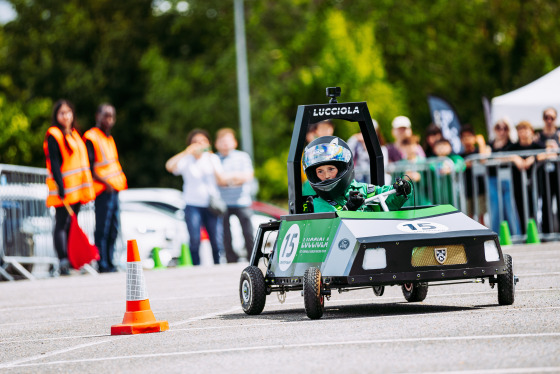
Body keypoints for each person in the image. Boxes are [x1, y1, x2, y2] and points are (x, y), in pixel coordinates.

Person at [43, 100, 95, 275]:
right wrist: (60, 185)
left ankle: (74, 259)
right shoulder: (54, 135)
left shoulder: (74, 134)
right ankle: (63, 260)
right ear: (56, 116)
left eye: (68, 112)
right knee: (62, 224)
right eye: (62, 113)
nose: (66, 116)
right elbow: (55, 163)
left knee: (72, 225)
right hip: (64, 189)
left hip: (77, 190)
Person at [302, 136, 412, 213]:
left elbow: (388, 198)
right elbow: (330, 227)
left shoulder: (363, 190)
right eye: (320, 171)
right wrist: (349, 209)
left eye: (331, 169)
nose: (326, 176)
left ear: (342, 169)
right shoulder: (317, 203)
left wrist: (402, 189)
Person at [166, 129, 226, 265]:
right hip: (192, 204)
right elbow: (169, 166)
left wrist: (210, 158)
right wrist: (186, 152)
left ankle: (219, 265)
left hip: (211, 204)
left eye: (202, 141)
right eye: (195, 142)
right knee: (194, 239)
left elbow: (221, 180)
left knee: (216, 239)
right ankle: (196, 266)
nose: (199, 145)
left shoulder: (212, 158)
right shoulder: (186, 160)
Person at [83, 104, 127, 273]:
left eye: (111, 116)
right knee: (103, 227)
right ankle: (102, 263)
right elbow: (91, 166)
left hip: (114, 189)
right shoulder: (91, 137)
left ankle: (110, 260)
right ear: (97, 116)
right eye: (106, 115)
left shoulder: (109, 138)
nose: (109, 119)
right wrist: (106, 183)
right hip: (103, 190)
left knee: (113, 227)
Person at [214, 128, 255, 263]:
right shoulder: (214, 158)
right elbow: (217, 180)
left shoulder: (242, 156)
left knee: (248, 232)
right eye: (222, 141)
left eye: (228, 141)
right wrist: (235, 179)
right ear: (216, 143)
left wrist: (227, 180)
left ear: (234, 142)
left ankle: (252, 257)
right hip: (222, 202)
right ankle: (231, 259)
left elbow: (247, 176)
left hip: (242, 201)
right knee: (225, 234)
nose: (225, 144)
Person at [486, 118, 521, 236]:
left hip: (508, 179)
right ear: (494, 129)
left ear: (508, 130)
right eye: (498, 128)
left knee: (510, 208)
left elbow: (514, 156)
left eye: (504, 128)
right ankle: (494, 236)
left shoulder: (512, 144)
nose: (501, 131)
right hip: (492, 179)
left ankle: (516, 235)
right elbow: (483, 157)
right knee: (495, 209)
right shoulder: (489, 144)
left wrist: (497, 157)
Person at [509, 121, 544, 233]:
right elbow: (498, 156)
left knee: (536, 209)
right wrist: (514, 158)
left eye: (525, 129)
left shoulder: (537, 145)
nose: (523, 132)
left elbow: (550, 152)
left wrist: (534, 158)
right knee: (521, 209)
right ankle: (526, 234)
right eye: (520, 129)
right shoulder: (513, 147)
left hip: (536, 184)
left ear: (531, 131)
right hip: (518, 185)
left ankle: (538, 232)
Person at [459, 124, 490, 221]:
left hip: (480, 189)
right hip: (467, 190)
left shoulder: (479, 151)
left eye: (469, 136)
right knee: (469, 217)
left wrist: (481, 143)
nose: (467, 139)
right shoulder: (461, 155)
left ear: (474, 138)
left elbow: (483, 159)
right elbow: (462, 164)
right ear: (461, 140)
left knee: (481, 217)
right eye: (464, 137)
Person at [346, 119, 390, 184]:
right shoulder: (357, 146)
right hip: (359, 179)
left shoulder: (382, 149)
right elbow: (347, 153)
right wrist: (354, 138)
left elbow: (382, 166)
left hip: (373, 180)